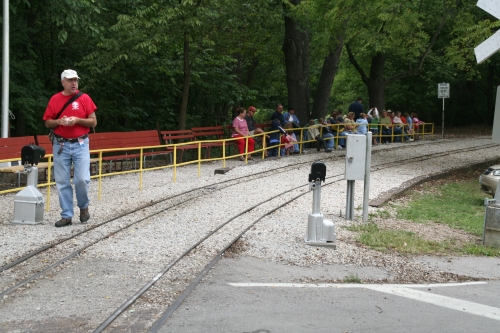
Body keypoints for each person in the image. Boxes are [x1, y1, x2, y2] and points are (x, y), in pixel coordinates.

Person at [43, 69, 97, 227]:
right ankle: (66, 215)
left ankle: (83, 206)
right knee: (61, 181)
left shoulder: (84, 98)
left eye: (76, 80)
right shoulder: (55, 99)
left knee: (81, 179)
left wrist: (78, 120)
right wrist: (59, 122)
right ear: (63, 82)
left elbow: (93, 122)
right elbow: (47, 122)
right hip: (61, 144)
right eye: (70, 80)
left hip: (81, 143)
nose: (74, 83)